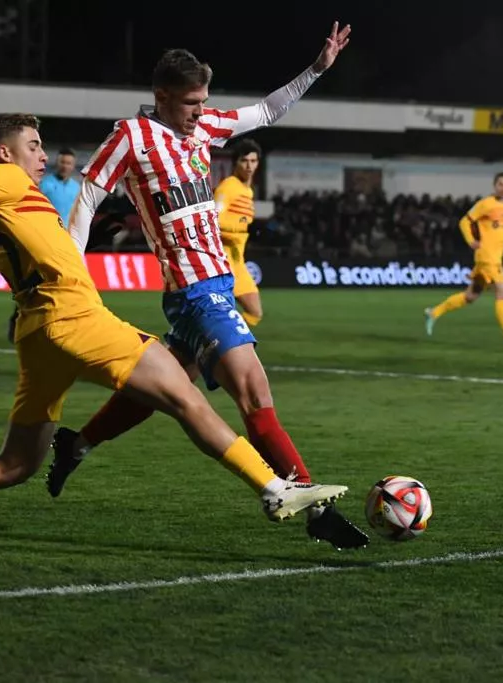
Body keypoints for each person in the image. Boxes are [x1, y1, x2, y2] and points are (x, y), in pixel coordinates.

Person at [0, 113, 348, 551]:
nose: (43, 155)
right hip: (77, 319)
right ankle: (273, 489)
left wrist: (91, 240)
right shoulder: (4, 177)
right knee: (184, 396)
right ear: (5, 152)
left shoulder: (16, 204)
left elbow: (47, 250)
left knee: (17, 463)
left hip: (37, 334)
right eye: (34, 146)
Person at [49, 22, 368, 549]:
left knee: (166, 384)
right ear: (162, 97)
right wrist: (67, 275)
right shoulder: (131, 137)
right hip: (196, 291)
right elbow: (87, 200)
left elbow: (266, 112)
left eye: (203, 100)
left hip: (214, 281)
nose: (200, 110)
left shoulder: (205, 128)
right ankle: (313, 509)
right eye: (191, 101)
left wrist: (315, 70)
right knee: (254, 392)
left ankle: (77, 444)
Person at [425, 172, 503, 347]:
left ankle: (434, 313)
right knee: (502, 293)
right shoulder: (485, 204)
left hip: (497, 258)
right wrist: (471, 241)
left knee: (470, 296)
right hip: (486, 257)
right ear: (494, 186)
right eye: (500, 185)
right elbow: (464, 222)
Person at [215, 138, 264, 327]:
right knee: (250, 312)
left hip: (238, 262)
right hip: (225, 262)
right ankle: (222, 347)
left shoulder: (247, 190)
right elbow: (212, 222)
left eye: (253, 161)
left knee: (254, 313)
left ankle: (219, 345)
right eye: (244, 161)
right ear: (236, 162)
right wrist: (233, 235)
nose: (249, 166)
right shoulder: (228, 187)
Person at [38, 148, 81, 223]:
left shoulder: (77, 188)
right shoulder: (44, 184)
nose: (65, 166)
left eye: (68, 163)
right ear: (56, 163)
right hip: (48, 229)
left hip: (68, 232)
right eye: (62, 162)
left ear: (73, 166)